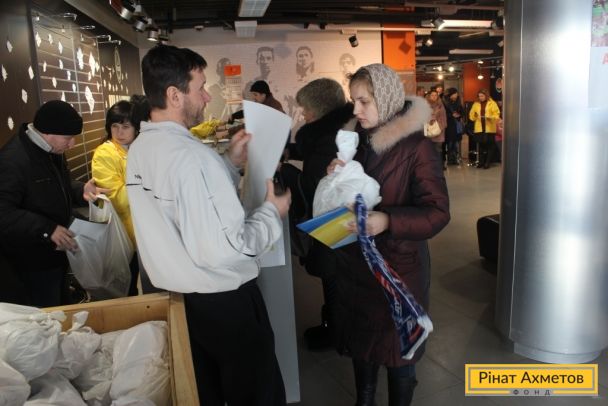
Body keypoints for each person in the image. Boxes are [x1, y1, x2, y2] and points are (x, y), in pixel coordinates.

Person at [126, 44, 291, 406]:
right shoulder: (192, 158)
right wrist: (271, 212)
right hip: (225, 303)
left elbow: (186, 204)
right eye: (200, 87)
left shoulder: (140, 149)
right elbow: (226, 248)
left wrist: (227, 162)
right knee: (256, 395)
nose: (206, 96)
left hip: (182, 302)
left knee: (206, 393)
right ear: (174, 95)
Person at [329, 64, 450, 405]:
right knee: (364, 347)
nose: (356, 110)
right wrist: (338, 176)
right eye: (354, 100)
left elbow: (438, 213)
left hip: (398, 271)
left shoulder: (417, 148)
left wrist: (388, 221)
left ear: (385, 98)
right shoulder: (356, 142)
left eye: (364, 101)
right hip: (358, 267)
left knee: (400, 354)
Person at [0, 100, 108, 307]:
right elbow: (3, 213)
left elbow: (59, 185)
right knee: (45, 315)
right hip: (30, 264)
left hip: (55, 255)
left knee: (61, 309)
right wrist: (47, 229)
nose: (72, 144)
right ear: (47, 132)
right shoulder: (13, 161)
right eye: (68, 138)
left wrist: (81, 190)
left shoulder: (50, 150)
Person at [283, 78, 356, 350]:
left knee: (335, 280)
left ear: (319, 108)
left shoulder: (328, 140)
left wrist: (287, 173)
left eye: (305, 108)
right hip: (339, 219)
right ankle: (335, 327)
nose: (303, 114)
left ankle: (337, 332)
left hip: (335, 222)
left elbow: (315, 186)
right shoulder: (334, 132)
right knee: (336, 279)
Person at [92, 95, 150, 296]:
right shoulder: (105, 153)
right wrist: (150, 184)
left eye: (125, 127)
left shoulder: (139, 148)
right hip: (124, 235)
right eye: (114, 126)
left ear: (136, 128)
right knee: (127, 287)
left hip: (142, 231)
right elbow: (118, 199)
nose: (119, 132)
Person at [469, 88, 501, 169]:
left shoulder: (492, 103)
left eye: (482, 96)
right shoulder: (476, 104)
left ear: (486, 95)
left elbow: (497, 115)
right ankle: (481, 162)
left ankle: (487, 163)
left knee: (490, 145)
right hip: (479, 128)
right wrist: (474, 116)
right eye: (479, 96)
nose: (480, 98)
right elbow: (471, 116)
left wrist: (490, 117)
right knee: (480, 145)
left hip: (489, 128)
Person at [426, 88, 448, 168]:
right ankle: (431, 165)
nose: (434, 97)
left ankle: (439, 165)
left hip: (439, 130)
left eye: (435, 95)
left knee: (438, 149)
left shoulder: (441, 105)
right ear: (429, 96)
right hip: (429, 130)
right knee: (429, 150)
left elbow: (444, 118)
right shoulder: (426, 105)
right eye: (432, 95)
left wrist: (440, 127)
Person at [443, 88, 465, 165]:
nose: (456, 95)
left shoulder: (458, 102)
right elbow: (443, 114)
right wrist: (451, 115)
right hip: (449, 126)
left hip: (457, 125)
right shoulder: (445, 103)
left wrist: (459, 114)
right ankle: (450, 159)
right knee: (450, 143)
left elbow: (463, 112)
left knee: (456, 143)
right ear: (450, 95)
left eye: (456, 94)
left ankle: (455, 158)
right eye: (454, 94)